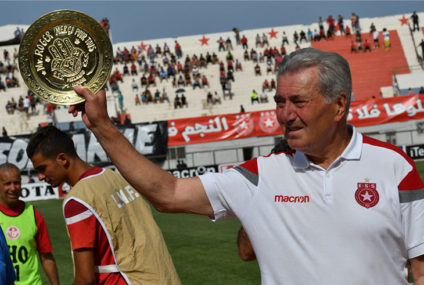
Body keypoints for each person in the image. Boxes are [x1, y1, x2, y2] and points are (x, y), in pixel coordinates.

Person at [69, 48, 424, 284]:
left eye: (298, 101)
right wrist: (102, 127)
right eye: (279, 102)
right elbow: (169, 193)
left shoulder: (396, 169)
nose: (285, 115)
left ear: (339, 105)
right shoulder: (260, 176)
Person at [26, 127, 180, 284]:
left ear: (62, 159)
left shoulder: (77, 201)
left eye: (42, 168)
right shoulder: (114, 177)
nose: (40, 177)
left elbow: (85, 278)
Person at [0, 163, 59, 285]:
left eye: (17, 183)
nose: (13, 188)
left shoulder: (33, 214)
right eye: (7, 184)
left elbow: (46, 256)